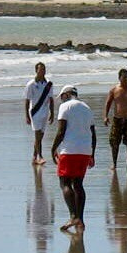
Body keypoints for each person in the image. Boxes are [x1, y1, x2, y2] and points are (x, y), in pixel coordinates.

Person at [50, 85, 96, 234]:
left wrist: (53, 148)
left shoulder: (65, 107)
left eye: (62, 96)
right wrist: (92, 154)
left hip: (69, 150)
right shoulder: (87, 108)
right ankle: (80, 220)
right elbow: (93, 134)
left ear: (67, 94)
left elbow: (61, 131)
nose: (61, 100)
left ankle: (73, 216)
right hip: (85, 150)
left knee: (64, 183)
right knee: (78, 184)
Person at [23, 61, 55, 166]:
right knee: (37, 135)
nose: (42, 71)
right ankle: (40, 156)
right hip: (35, 112)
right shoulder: (31, 84)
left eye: (44, 69)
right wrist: (27, 116)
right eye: (40, 69)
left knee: (40, 136)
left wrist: (52, 113)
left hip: (45, 111)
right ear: (36, 70)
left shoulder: (48, 84)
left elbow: (51, 99)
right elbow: (27, 100)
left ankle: (34, 157)